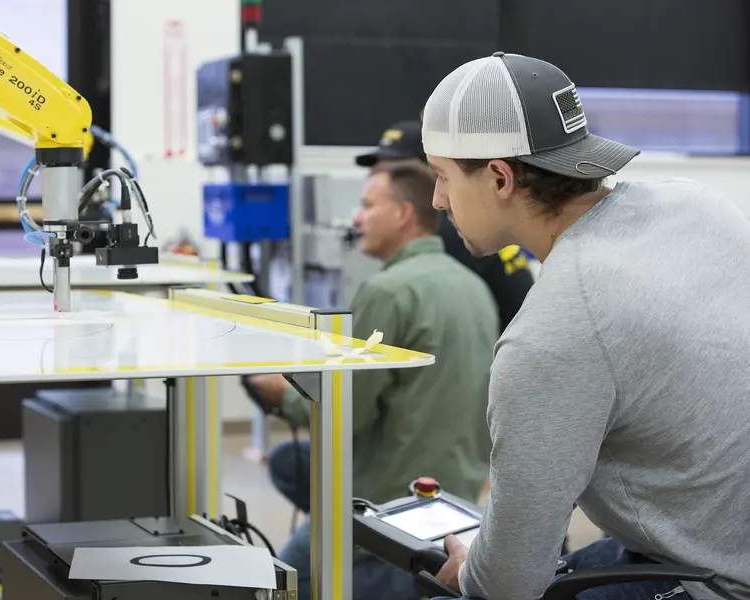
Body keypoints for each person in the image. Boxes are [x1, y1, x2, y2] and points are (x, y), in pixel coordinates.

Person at [421, 52, 750, 600]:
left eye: (442, 176)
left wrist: (472, 571)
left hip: (713, 576)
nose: (437, 200)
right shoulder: (697, 204)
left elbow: (507, 584)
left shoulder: (553, 333)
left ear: (500, 177)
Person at [248, 161, 498, 600]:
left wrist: (281, 393)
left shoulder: (389, 291)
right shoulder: (472, 286)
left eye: (366, 205)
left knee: (275, 582)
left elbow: (347, 411)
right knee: (288, 461)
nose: (356, 218)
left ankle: (366, 562)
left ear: (402, 214)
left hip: (388, 499)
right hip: (454, 490)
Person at [355, 120, 535, 333]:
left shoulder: (450, 232)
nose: (383, 176)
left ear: (431, 169)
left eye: (397, 170)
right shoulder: (468, 222)